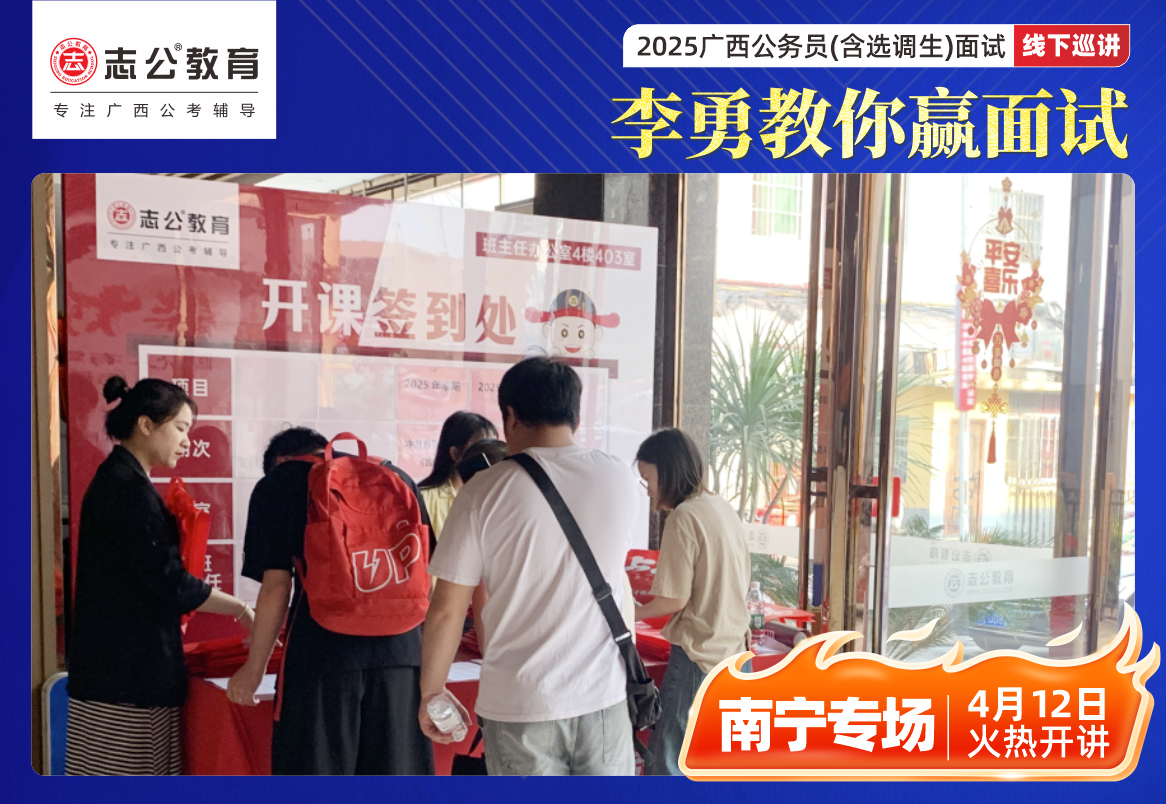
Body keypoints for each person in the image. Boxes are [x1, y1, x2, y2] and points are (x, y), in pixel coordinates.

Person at [420, 357, 642, 776]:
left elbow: (448, 607)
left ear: (510, 416)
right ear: (575, 415)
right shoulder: (618, 477)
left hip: (520, 703)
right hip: (605, 698)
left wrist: (432, 692)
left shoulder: (483, 491)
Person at [66, 377, 256, 776]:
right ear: (145, 425)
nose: (187, 441)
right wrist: (240, 609)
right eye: (181, 428)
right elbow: (169, 580)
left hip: (116, 672)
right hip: (127, 680)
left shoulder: (122, 479)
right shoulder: (128, 490)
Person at [227, 427, 434, 775]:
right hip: (403, 656)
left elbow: (276, 585)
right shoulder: (396, 475)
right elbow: (425, 576)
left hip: (321, 656)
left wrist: (254, 668)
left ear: (281, 460)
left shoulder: (279, 483)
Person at [633, 428, 751, 776]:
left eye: (648, 478)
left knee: (669, 764)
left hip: (698, 658)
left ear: (667, 471)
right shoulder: (721, 507)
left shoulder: (683, 517)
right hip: (735, 654)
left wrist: (631, 612)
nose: (648, 489)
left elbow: (674, 598)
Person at [417, 412, 497, 540]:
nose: (489, 456)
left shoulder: (494, 498)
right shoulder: (423, 499)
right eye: (480, 448)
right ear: (455, 453)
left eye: (492, 448)